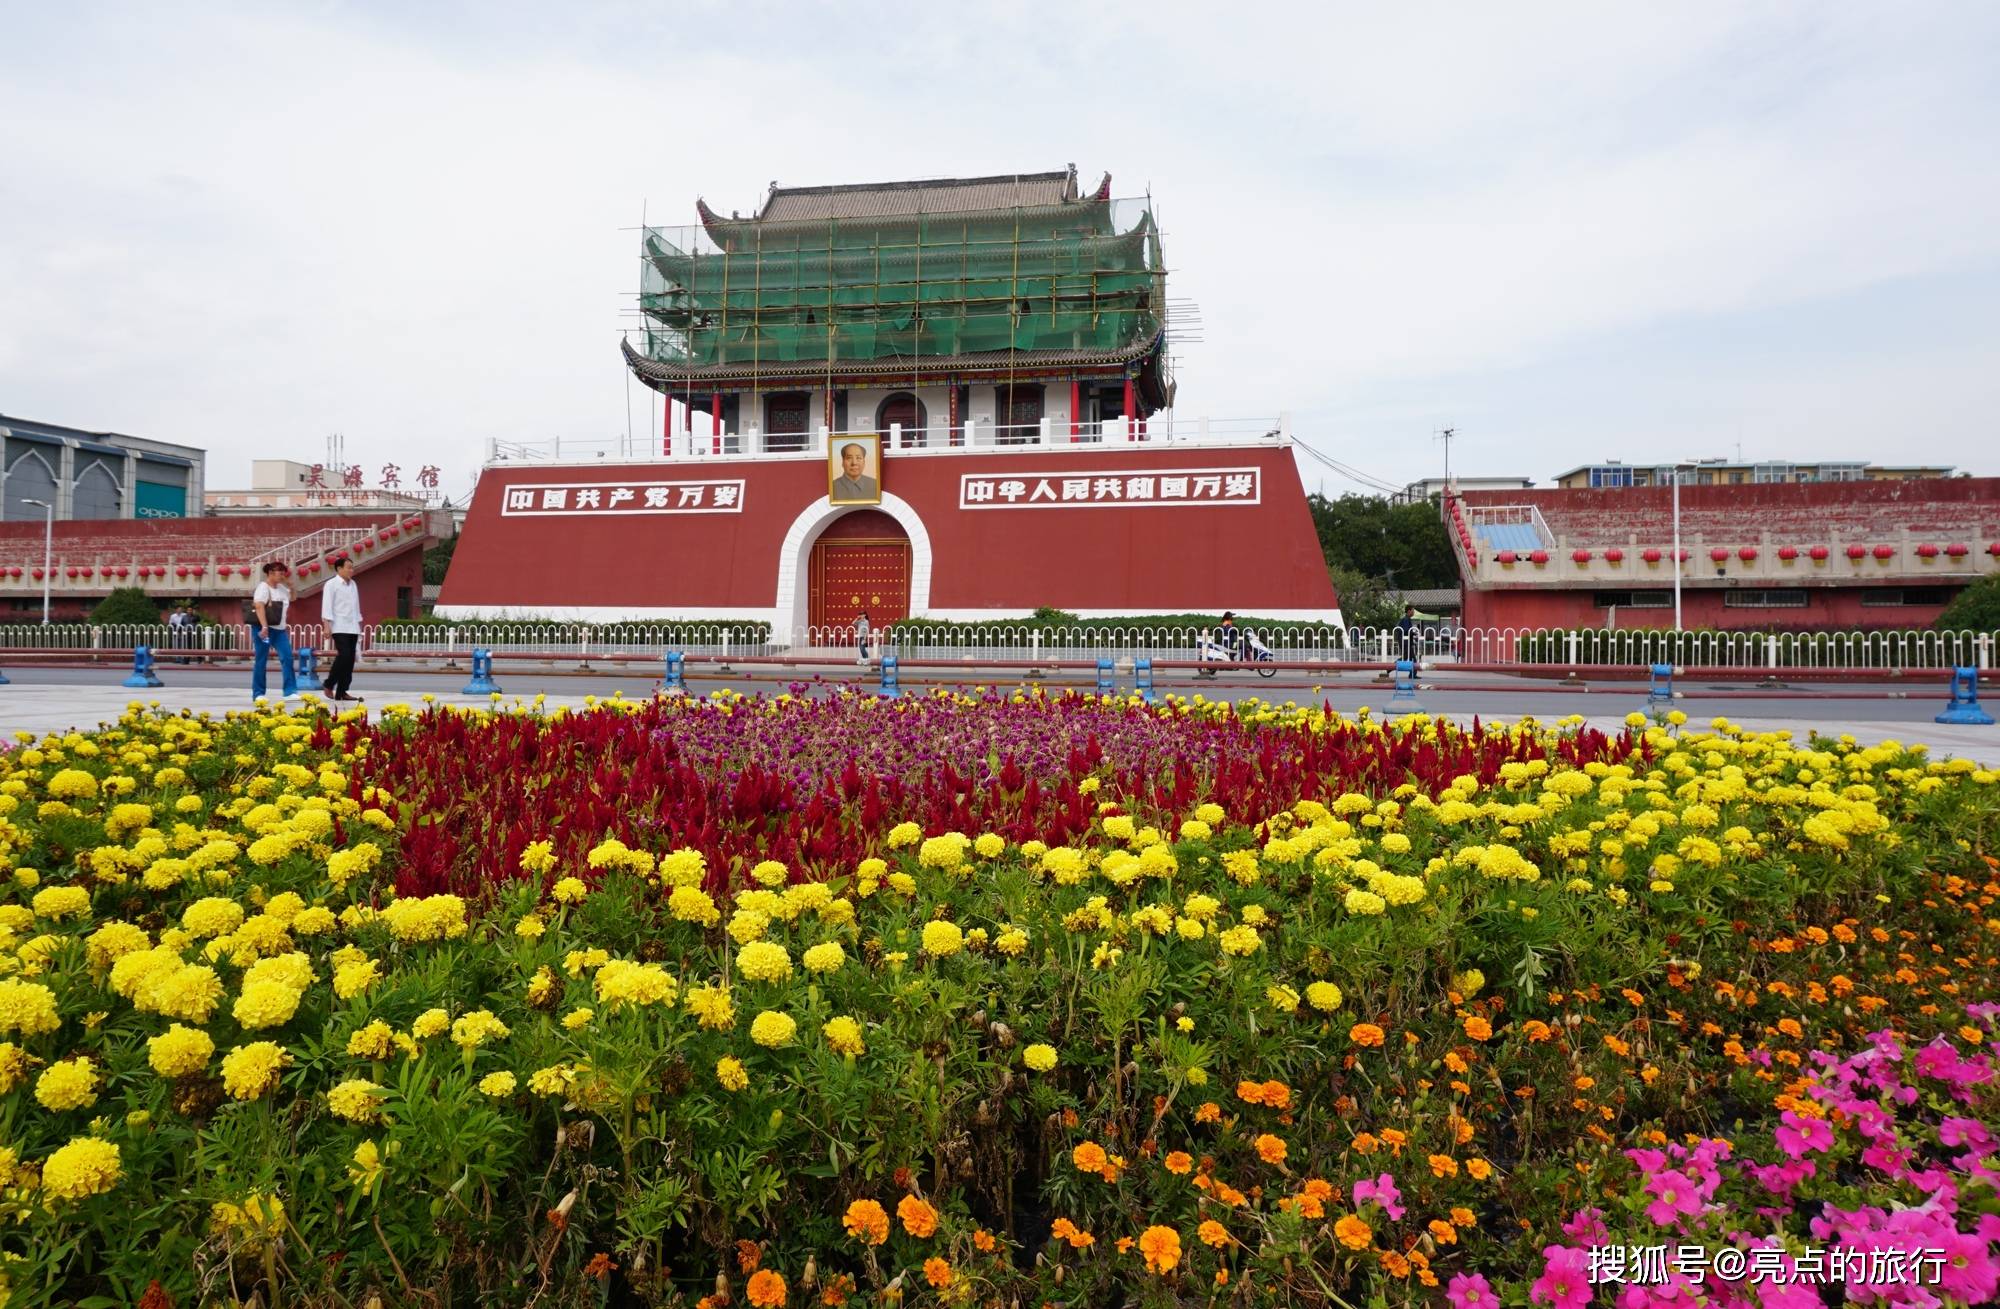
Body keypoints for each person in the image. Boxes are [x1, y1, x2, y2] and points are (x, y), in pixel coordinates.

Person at [251, 561, 298, 701]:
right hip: (264, 630)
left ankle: (289, 691)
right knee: (261, 659)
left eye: (283, 572)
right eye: (280, 572)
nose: (282, 574)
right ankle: (258, 693)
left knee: (287, 658)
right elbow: (259, 606)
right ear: (270, 573)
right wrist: (264, 627)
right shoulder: (263, 587)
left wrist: (291, 585)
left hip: (279, 631)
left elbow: (293, 597)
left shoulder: (282, 588)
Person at [322, 555, 364, 702]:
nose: (351, 570)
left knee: (350, 660)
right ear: (339, 569)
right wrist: (326, 626)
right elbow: (327, 606)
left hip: (352, 626)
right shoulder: (331, 584)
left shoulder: (353, 584)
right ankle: (329, 683)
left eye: (352, 567)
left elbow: (356, 606)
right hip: (338, 625)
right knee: (344, 655)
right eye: (349, 567)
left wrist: (359, 625)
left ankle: (342, 691)